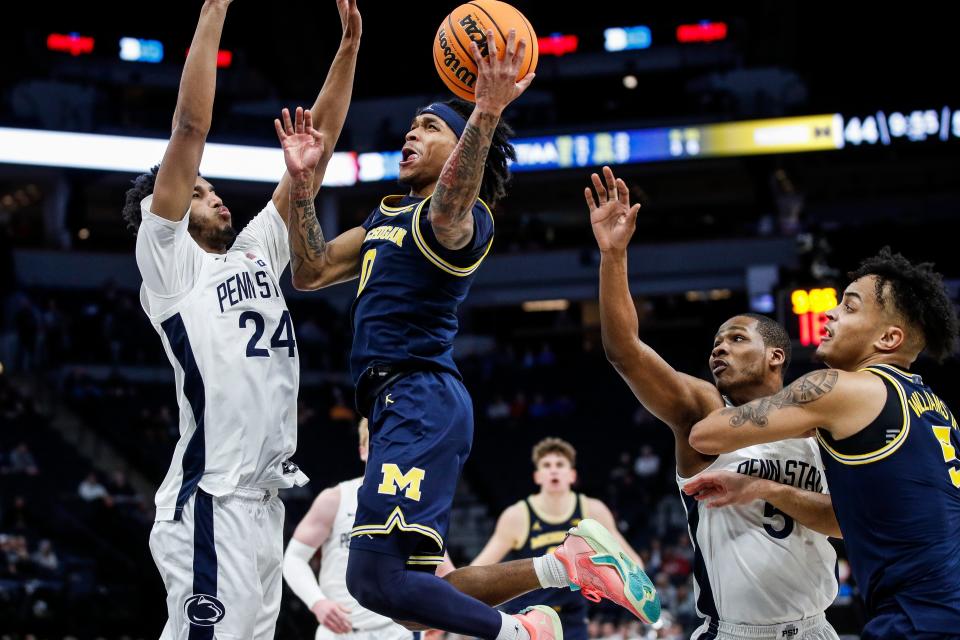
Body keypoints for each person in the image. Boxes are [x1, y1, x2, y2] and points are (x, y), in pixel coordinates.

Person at [287, 31, 657, 640]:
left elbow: (445, 213)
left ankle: (524, 634)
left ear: (462, 151)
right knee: (404, 595)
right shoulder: (385, 217)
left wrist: (485, 111)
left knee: (371, 582)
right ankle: (560, 567)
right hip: (395, 405)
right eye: (411, 125)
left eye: (429, 128)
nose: (410, 134)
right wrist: (303, 186)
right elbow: (310, 270)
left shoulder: (467, 220)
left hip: (419, 397)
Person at [120, 1, 361, 637]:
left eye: (209, 186)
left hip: (264, 504)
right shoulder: (170, 265)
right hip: (211, 499)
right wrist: (213, 10)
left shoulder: (256, 249)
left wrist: (349, 46)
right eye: (196, 190)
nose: (212, 192)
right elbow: (191, 128)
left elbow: (318, 150)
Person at [586, 165, 840, 639]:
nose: (718, 348)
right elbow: (625, 352)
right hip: (736, 630)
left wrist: (768, 489)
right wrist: (613, 255)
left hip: (817, 628)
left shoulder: (820, 420)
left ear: (775, 356)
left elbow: (846, 522)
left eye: (736, 338)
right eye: (716, 342)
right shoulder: (706, 409)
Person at [690, 248, 960, 640]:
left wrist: (800, 421)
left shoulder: (839, 388)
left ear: (888, 337)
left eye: (849, 308)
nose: (831, 313)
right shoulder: (935, 407)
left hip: (920, 619)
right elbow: (845, 519)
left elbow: (706, 434)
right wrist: (762, 488)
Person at [283, 419, 451, 640]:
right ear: (363, 451)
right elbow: (294, 558)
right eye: (379, 445)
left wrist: (443, 614)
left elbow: (444, 572)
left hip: (398, 633)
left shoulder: (418, 506)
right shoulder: (336, 498)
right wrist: (317, 602)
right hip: (340, 633)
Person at [472, 437, 644, 640]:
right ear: (537, 476)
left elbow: (635, 565)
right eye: (546, 465)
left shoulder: (593, 510)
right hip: (526, 617)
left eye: (560, 464)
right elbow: (478, 570)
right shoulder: (517, 515)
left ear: (572, 475)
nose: (553, 470)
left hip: (572, 619)